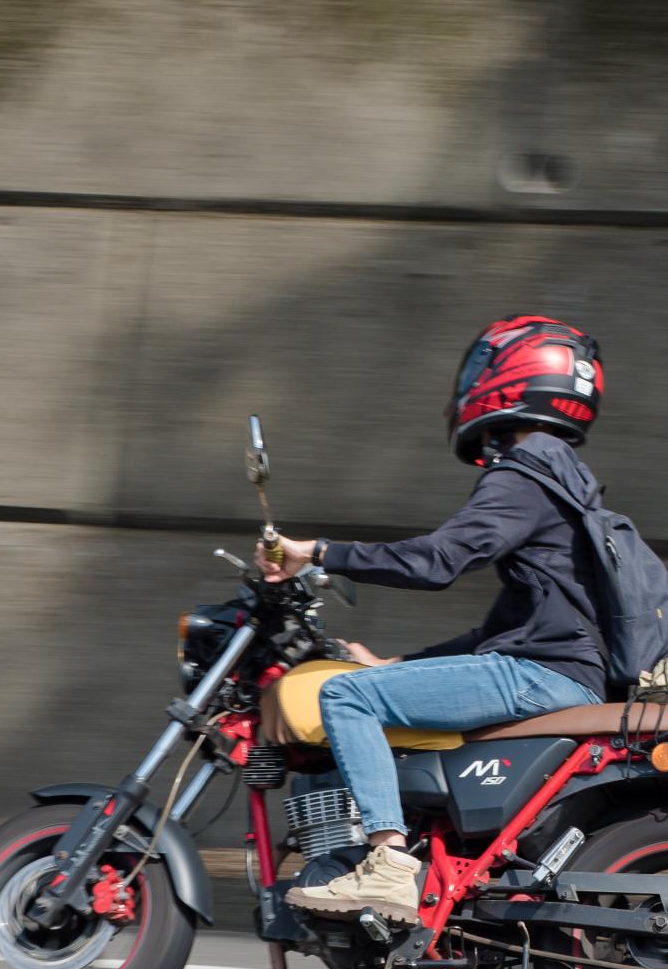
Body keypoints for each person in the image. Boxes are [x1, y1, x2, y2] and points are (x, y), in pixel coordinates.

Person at [254, 315, 610, 923]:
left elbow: (437, 561)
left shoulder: (524, 474)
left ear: (514, 375)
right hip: (559, 671)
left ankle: (389, 867)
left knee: (345, 696)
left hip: (544, 675)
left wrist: (316, 552)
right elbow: (497, 631)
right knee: (372, 685)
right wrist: (400, 663)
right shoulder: (562, 479)